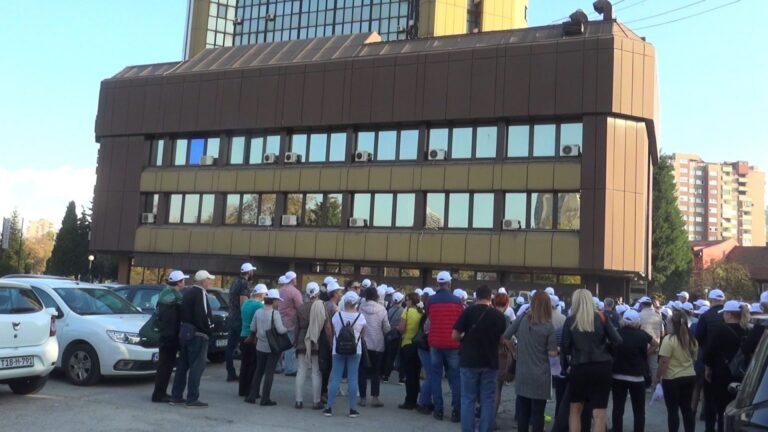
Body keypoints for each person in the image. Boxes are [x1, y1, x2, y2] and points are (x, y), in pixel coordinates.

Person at [561, 288, 622, 432]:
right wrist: (605, 348)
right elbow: (618, 340)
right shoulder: (602, 317)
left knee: (575, 409)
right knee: (599, 413)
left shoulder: (570, 320)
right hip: (601, 367)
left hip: (579, 367)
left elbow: (565, 347)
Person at [504, 290, 557, 432]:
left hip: (522, 374)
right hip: (540, 376)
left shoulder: (522, 319)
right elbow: (552, 353)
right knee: (538, 415)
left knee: (523, 414)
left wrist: (515, 352)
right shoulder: (548, 326)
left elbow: (506, 336)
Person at [170, 270, 215, 408]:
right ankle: (192, 398)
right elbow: (204, 314)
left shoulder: (187, 292)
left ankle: (176, 396)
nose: (209, 282)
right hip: (198, 334)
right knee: (197, 367)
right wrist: (210, 329)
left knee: (182, 366)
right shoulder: (200, 293)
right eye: (208, 279)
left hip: (185, 333)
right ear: (203, 281)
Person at [704, 300, 749, 432]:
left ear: (729, 315)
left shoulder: (720, 330)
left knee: (722, 409)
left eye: (724, 314)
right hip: (743, 374)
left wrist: (708, 368)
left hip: (722, 374)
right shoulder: (747, 329)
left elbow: (709, 352)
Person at [426, 271, 464, 423]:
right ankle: (456, 411)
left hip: (435, 343)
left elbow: (429, 318)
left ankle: (438, 410)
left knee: (435, 376)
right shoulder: (457, 301)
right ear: (449, 283)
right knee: (455, 377)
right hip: (453, 343)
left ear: (438, 283)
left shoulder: (431, 301)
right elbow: (461, 321)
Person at [324, 291, 367, 418]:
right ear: (355, 303)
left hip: (338, 349)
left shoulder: (337, 316)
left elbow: (332, 329)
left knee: (336, 377)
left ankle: (329, 408)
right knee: (353, 378)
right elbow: (364, 333)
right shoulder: (361, 317)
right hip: (355, 350)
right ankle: (352, 409)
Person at [612, 309, 655, 432]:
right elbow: (655, 344)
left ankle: (617, 429)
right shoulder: (642, 334)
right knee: (639, 410)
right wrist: (645, 354)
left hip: (618, 375)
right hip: (637, 376)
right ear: (637, 322)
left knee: (618, 408)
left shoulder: (617, 332)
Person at [245, 289, 288, 406]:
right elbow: (280, 329)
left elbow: (253, 328)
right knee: (269, 372)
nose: (278, 303)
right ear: (274, 301)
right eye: (277, 300)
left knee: (259, 370)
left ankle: (252, 395)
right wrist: (287, 329)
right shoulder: (275, 314)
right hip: (272, 347)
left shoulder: (258, 312)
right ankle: (265, 398)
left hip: (260, 345)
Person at [657, 310, 698, 432]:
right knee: (687, 409)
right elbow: (694, 359)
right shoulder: (693, 340)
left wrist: (659, 377)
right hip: (689, 376)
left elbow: (664, 361)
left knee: (673, 410)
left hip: (672, 378)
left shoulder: (669, 340)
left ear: (672, 324)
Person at [151, 270, 186, 403]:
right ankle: (159, 394)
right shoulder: (173, 299)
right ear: (178, 282)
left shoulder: (164, 295)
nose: (184, 282)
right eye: (183, 280)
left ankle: (159, 393)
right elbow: (171, 321)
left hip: (164, 336)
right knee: (165, 367)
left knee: (163, 366)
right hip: (169, 338)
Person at [695, 288, 726, 431]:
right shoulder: (729, 315)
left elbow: (699, 338)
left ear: (711, 300)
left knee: (709, 398)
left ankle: (710, 427)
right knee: (725, 401)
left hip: (709, 362)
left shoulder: (706, 316)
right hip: (728, 363)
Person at [295, 282, 327, 410]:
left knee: (301, 370)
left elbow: (296, 327)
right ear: (318, 293)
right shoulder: (321, 306)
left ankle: (298, 401)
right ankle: (316, 401)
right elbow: (327, 325)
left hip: (302, 339)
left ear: (306, 294)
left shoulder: (301, 308)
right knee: (316, 371)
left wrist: (295, 342)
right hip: (316, 340)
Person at [358, 286, 390, 407]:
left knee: (362, 371)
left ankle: (362, 398)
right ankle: (375, 398)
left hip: (363, 343)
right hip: (377, 344)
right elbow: (386, 328)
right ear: (376, 296)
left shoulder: (360, 308)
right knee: (376, 372)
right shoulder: (382, 309)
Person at [226, 263, 255, 381]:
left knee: (230, 347)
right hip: (239, 319)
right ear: (249, 272)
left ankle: (230, 372)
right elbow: (243, 304)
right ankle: (245, 374)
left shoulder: (234, 282)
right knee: (246, 347)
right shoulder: (244, 284)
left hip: (231, 317)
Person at [239, 284, 267, 397]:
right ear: (260, 294)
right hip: (253, 337)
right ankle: (252, 390)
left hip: (243, 335)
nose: (265, 296)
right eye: (265, 294)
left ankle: (242, 390)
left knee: (244, 364)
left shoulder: (246, 304)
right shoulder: (259, 306)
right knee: (254, 365)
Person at [398, 292, 423, 410]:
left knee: (409, 374)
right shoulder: (421, 312)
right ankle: (416, 399)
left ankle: (409, 401)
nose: (405, 302)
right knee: (416, 374)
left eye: (407, 300)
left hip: (407, 343)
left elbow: (402, 328)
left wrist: (397, 329)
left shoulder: (406, 311)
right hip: (418, 345)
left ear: (411, 301)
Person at [320, 281, 344, 402]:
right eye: (340, 292)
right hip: (330, 340)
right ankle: (323, 393)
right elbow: (333, 327)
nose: (341, 294)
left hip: (321, 339)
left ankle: (321, 391)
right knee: (327, 368)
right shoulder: (334, 308)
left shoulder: (324, 304)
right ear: (334, 294)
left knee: (323, 368)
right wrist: (332, 343)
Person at [279, 271, 303, 376]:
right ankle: (289, 368)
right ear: (293, 279)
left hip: (279, 321)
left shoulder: (280, 290)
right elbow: (300, 308)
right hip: (291, 322)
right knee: (289, 346)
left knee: (279, 345)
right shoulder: (295, 292)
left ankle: (278, 366)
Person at [416, 289, 434, 415]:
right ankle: (423, 401)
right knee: (431, 375)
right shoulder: (429, 316)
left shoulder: (424, 315)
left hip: (423, 347)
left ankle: (426, 400)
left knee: (431, 375)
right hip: (426, 347)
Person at [638, 295, 663, 386]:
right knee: (654, 369)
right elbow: (661, 331)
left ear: (641, 304)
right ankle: (654, 388)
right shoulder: (658, 316)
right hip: (655, 346)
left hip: (641, 346)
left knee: (639, 367)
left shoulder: (639, 315)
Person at [382, 291, 405, 383]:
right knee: (400, 356)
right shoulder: (403, 311)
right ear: (401, 300)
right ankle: (401, 378)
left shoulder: (389, 310)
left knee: (389, 356)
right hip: (399, 334)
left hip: (390, 335)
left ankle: (386, 376)